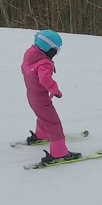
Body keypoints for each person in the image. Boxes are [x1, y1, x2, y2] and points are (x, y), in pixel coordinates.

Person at [21, 29, 80, 163]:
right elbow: (45, 79)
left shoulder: (30, 56)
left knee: (43, 116)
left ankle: (42, 135)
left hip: (32, 95)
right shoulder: (44, 63)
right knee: (54, 124)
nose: (56, 53)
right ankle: (59, 153)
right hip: (40, 97)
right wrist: (55, 90)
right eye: (56, 50)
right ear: (49, 48)